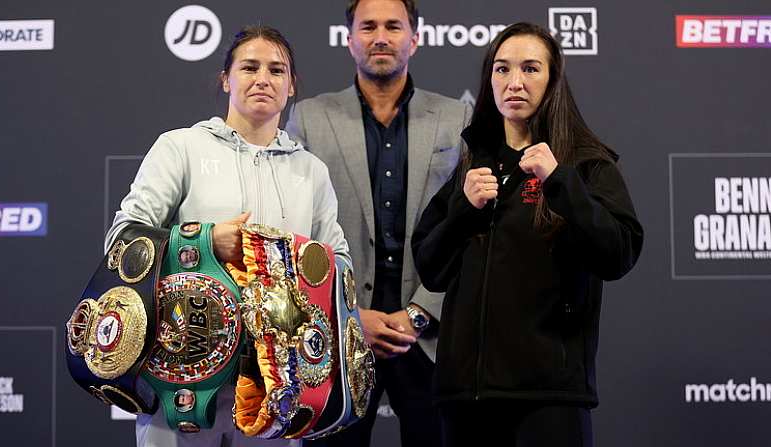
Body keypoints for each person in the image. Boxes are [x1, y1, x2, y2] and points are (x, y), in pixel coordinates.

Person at [105, 25, 349, 447]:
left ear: (292, 87)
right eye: (249, 67)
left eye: (277, 70)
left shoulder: (311, 171)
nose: (263, 79)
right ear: (226, 79)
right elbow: (123, 242)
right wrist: (202, 242)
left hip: (276, 390)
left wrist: (300, 267)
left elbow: (339, 267)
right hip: (183, 379)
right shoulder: (180, 147)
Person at [411, 22, 644, 447]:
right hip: (467, 399)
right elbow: (430, 269)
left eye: (530, 69)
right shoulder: (472, 167)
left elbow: (619, 252)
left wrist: (559, 181)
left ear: (553, 80)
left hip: (548, 398)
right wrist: (464, 210)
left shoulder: (586, 164)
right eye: (502, 69)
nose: (514, 82)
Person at [286, 0, 470, 445]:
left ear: (415, 39)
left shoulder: (456, 118)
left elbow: (470, 228)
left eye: (394, 26)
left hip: (430, 337)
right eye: (368, 26)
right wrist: (347, 316)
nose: (381, 37)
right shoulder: (310, 118)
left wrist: (421, 314)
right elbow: (294, 232)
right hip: (337, 337)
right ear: (349, 40)